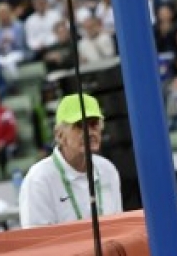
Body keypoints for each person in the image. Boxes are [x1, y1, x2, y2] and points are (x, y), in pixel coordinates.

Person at [18, 92, 123, 227]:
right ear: (60, 135)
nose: (90, 132)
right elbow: (38, 243)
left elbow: (119, 227)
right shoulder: (39, 179)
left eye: (94, 124)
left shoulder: (107, 169)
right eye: (80, 125)